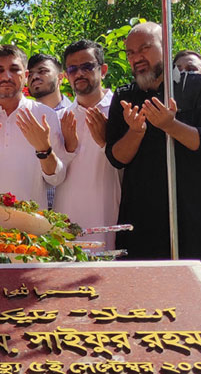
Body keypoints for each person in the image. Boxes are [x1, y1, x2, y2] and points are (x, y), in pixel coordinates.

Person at [105, 22, 201, 285]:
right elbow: (116, 157)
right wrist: (136, 132)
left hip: (193, 218)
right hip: (141, 222)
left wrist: (171, 126)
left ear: (167, 46)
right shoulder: (125, 96)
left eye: (144, 48)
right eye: (130, 53)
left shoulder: (199, 87)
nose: (136, 58)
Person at [0, 45, 65, 207]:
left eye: (14, 69)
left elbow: (56, 178)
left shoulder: (45, 116)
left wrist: (44, 149)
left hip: (29, 224)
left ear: (26, 75)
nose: (7, 76)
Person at [53, 40, 121, 249]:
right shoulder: (59, 117)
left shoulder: (120, 111)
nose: (79, 74)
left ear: (103, 70)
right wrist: (68, 148)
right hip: (66, 219)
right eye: (73, 69)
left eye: (87, 66)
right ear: (65, 76)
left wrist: (105, 141)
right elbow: (53, 175)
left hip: (109, 216)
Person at [27, 53, 72, 208]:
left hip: (69, 207)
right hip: (32, 208)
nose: (35, 77)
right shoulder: (24, 117)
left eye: (42, 71)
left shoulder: (74, 114)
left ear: (61, 77)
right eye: (30, 74)